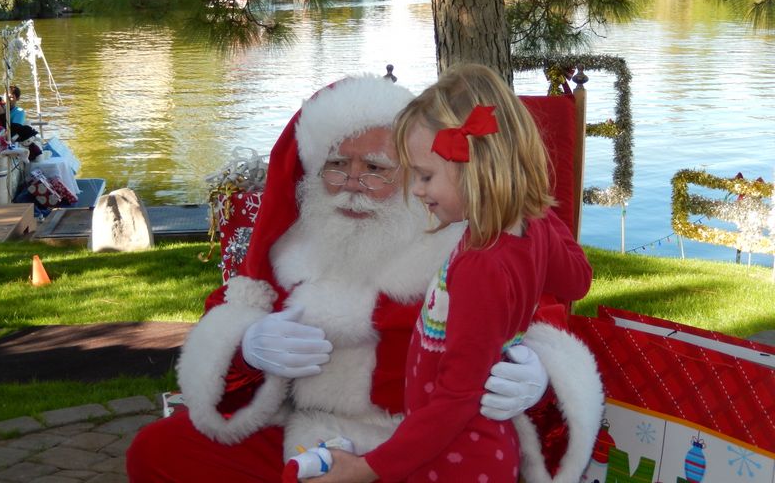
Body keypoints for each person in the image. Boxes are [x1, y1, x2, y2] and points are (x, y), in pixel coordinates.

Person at [126, 74, 603, 482]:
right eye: (337, 165)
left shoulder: (465, 235)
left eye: (376, 168)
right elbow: (223, 333)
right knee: (158, 451)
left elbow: (545, 310)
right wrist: (247, 347)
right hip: (302, 427)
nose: (353, 182)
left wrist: (539, 374)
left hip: (417, 442)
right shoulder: (291, 244)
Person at [317, 63, 593, 482]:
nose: (417, 190)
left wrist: (369, 468)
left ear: (475, 166)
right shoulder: (527, 228)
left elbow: (456, 397)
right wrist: (538, 208)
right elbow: (577, 279)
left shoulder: (480, 265)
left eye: (426, 176)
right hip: (477, 447)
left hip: (455, 456)